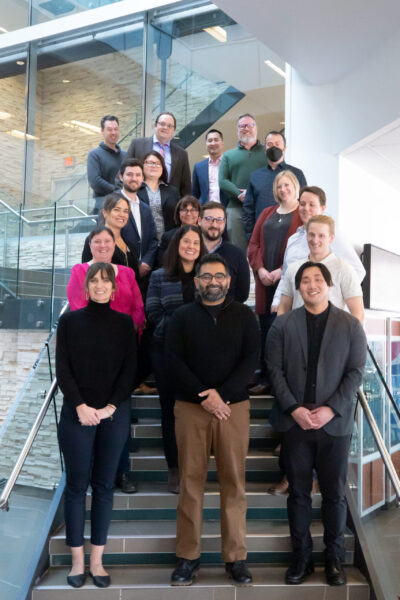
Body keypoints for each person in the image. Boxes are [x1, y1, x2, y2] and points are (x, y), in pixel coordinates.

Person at [266, 261, 367, 586]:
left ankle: (334, 560)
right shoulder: (282, 325)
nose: (311, 285)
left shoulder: (350, 325)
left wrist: (331, 410)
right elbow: (274, 370)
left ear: (328, 284)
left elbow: (355, 372)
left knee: (335, 495)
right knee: (298, 494)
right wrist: (294, 409)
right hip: (295, 423)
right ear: (298, 288)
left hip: (333, 425)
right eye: (305, 281)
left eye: (317, 279)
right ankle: (302, 559)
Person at [167, 254, 259, 586]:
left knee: (233, 483)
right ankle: (187, 557)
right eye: (206, 277)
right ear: (196, 281)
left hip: (233, 409)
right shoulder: (181, 317)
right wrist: (205, 394)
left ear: (229, 280)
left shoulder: (245, 317)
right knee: (191, 485)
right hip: (191, 408)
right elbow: (172, 359)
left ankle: (235, 558)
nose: (213, 282)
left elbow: (252, 359)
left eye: (219, 276)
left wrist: (224, 395)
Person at [56, 263, 137, 589]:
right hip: (77, 413)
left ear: (114, 289)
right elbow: (63, 369)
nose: (101, 286)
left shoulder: (124, 324)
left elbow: (130, 369)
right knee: (77, 486)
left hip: (112, 415)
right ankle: (77, 561)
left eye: (106, 281)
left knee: (104, 486)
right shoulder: (69, 322)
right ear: (86, 287)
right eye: (95, 281)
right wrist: (81, 406)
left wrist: (109, 408)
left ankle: (97, 561)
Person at [67, 226, 145, 494]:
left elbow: (138, 308)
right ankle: (89, 471)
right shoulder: (80, 271)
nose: (102, 245)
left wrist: (123, 331)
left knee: (118, 418)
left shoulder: (127, 273)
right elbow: (77, 306)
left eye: (107, 242)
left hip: (120, 355)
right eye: (97, 241)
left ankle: (119, 472)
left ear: (115, 246)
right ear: (90, 245)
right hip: (89, 355)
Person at [146, 225, 205, 493]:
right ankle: (175, 469)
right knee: (170, 411)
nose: (191, 246)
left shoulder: (206, 276)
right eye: (186, 241)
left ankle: (195, 467)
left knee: (194, 411)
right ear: (177, 245)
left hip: (198, 355)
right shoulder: (159, 276)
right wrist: (183, 327)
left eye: (196, 242)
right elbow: (154, 313)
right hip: (165, 353)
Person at [248, 170, 302, 393]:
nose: (283, 190)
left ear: (295, 187)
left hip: (286, 281)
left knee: (281, 330)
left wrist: (281, 271)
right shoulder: (267, 212)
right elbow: (253, 245)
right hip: (264, 282)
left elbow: (300, 250)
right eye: (279, 186)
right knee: (264, 330)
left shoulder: (301, 214)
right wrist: (260, 270)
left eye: (287, 185)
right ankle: (264, 377)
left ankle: (279, 380)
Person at [272, 186, 365, 311]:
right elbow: (285, 276)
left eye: (312, 205)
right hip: (296, 313)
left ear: (322, 208)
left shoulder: (333, 236)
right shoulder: (292, 239)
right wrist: (277, 301)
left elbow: (358, 271)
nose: (306, 209)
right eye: (303, 204)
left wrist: (333, 298)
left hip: (326, 315)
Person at [278, 215, 365, 322]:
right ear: (306, 236)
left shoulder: (344, 269)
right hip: (298, 335)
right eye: (311, 235)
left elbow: (358, 312)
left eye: (321, 236)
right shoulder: (293, 269)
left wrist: (345, 337)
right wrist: (281, 335)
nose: (315, 240)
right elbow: (283, 308)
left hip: (332, 335)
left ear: (331, 238)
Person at [242, 131, 307, 238]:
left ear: (284, 148)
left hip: (292, 234)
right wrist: (251, 236)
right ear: (265, 149)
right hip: (262, 235)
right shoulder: (255, 176)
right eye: (270, 144)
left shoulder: (297, 174)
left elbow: (304, 203)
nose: (273, 147)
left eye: (277, 144)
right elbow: (248, 209)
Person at [219, 113, 267, 251]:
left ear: (256, 128)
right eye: (242, 126)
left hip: (262, 208)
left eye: (249, 125)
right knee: (238, 251)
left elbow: (274, 177)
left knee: (261, 250)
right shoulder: (228, 155)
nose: (246, 128)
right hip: (235, 209)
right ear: (237, 130)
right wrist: (239, 194)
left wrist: (252, 194)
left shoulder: (266, 152)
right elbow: (222, 181)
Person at [118, 159, 159, 298]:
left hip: (144, 277)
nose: (134, 178)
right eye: (129, 174)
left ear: (142, 178)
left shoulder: (145, 208)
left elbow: (153, 239)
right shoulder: (112, 203)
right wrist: (135, 265)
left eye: (137, 175)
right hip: (120, 273)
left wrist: (147, 262)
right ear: (121, 177)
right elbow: (110, 237)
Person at [125, 112, 191, 197]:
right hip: (140, 200)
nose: (165, 128)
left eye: (170, 126)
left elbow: (186, 187)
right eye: (162, 124)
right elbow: (123, 171)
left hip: (170, 205)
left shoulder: (182, 154)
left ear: (173, 130)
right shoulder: (137, 145)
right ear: (155, 125)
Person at [199, 201, 250, 302]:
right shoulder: (190, 252)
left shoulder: (237, 255)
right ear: (199, 221)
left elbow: (242, 294)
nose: (214, 224)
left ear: (225, 222)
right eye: (209, 219)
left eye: (219, 220)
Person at [82, 193, 139, 279]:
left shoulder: (129, 241)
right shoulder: (94, 240)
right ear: (104, 213)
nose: (122, 214)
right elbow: (87, 275)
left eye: (125, 211)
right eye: (116, 210)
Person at [87, 115, 126, 214]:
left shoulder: (126, 155)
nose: (113, 132)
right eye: (109, 129)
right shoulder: (94, 155)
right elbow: (95, 181)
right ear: (102, 131)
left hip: (125, 206)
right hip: (104, 207)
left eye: (116, 129)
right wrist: (118, 191)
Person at [137, 150, 180, 239]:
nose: (154, 166)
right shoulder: (134, 191)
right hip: (142, 243)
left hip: (168, 242)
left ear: (162, 168)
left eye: (158, 163)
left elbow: (178, 219)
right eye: (150, 163)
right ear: (142, 166)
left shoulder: (173, 191)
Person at [158, 196, 201, 265]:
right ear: (178, 213)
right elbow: (162, 264)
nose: (189, 213)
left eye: (193, 210)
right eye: (184, 210)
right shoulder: (168, 237)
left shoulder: (205, 235)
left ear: (199, 213)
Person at [192, 129, 228, 205]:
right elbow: (195, 194)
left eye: (216, 140)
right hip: (205, 211)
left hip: (226, 210)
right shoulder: (198, 167)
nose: (213, 143)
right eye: (210, 140)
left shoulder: (230, 164)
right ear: (206, 144)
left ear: (222, 143)